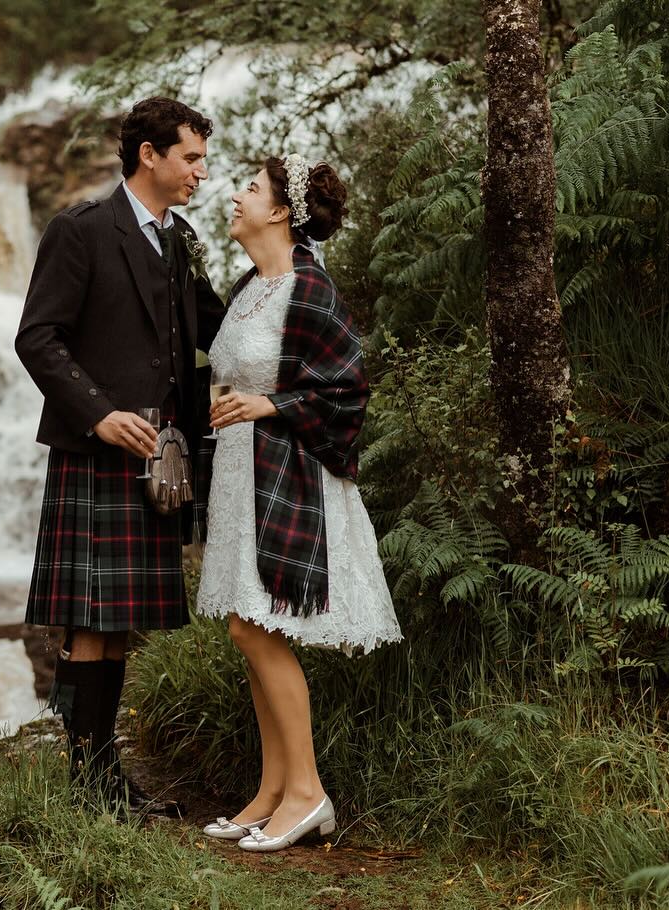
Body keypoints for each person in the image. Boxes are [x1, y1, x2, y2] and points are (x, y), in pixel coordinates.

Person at [15, 97, 226, 809]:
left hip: (161, 456)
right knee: (87, 621)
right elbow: (38, 338)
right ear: (150, 155)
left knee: (114, 624)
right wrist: (99, 413)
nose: (201, 170)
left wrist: (287, 289)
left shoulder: (178, 240)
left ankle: (102, 781)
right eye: (191, 157)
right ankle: (89, 784)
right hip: (99, 447)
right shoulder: (81, 230)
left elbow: (212, 324)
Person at [195, 154, 402, 850]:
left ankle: (308, 793)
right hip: (238, 474)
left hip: (287, 478)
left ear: (281, 210)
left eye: (249, 189)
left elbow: (347, 391)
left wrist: (269, 403)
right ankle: (272, 791)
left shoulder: (308, 289)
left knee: (256, 629)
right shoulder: (248, 285)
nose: (234, 196)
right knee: (250, 631)